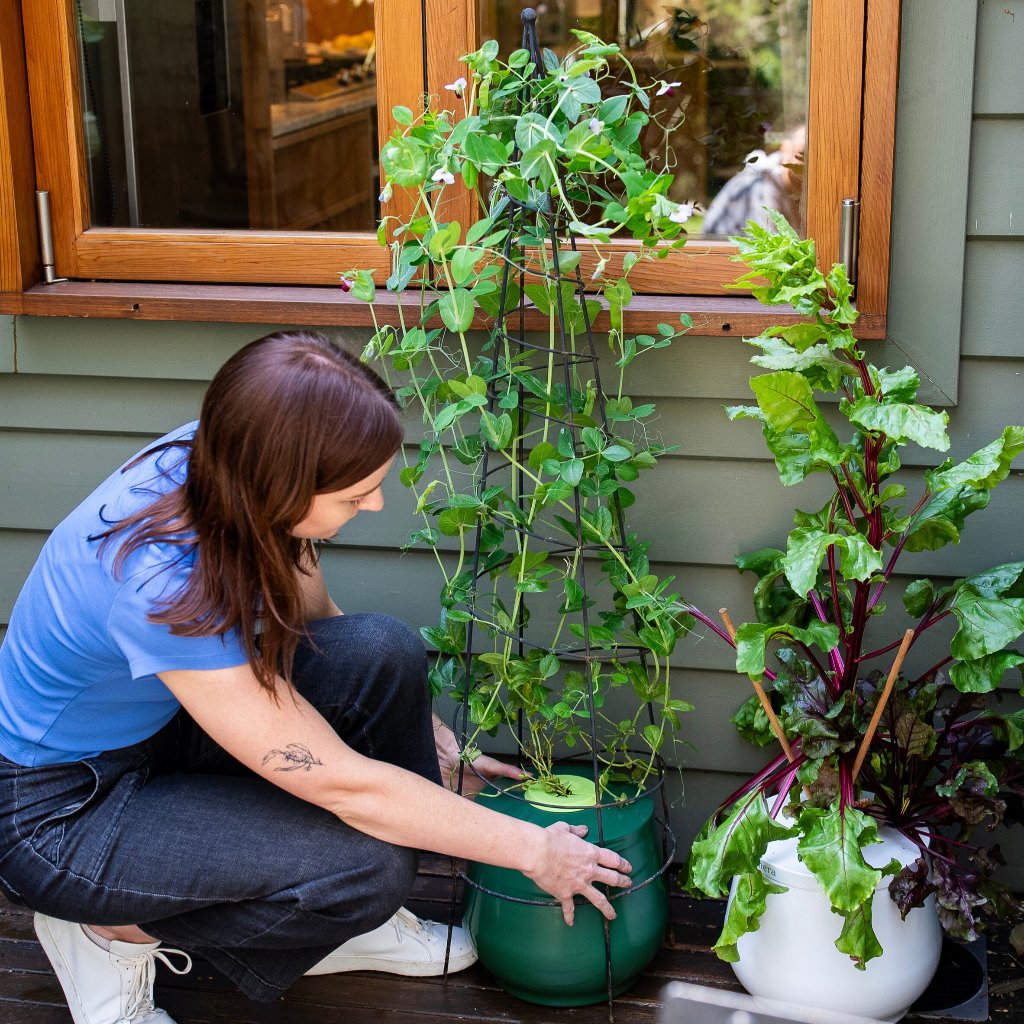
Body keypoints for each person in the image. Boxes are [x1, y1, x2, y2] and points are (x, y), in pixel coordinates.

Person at [0, 331, 633, 1024]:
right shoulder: (160, 581)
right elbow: (341, 781)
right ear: (283, 482)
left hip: (161, 731)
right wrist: (533, 849)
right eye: (357, 492)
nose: (376, 505)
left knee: (380, 650)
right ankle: (109, 929)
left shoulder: (227, 458)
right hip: (60, 815)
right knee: (368, 866)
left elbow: (317, 623)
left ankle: (338, 924)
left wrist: (425, 730)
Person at [701, 124, 806, 238]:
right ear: (785, 148)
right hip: (719, 251)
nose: (808, 163)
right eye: (803, 154)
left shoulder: (795, 185)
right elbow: (771, 245)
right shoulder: (764, 183)